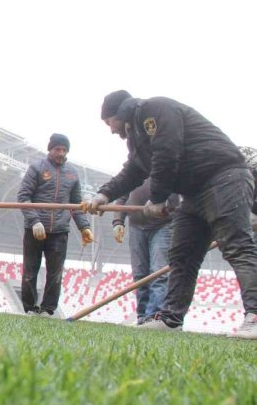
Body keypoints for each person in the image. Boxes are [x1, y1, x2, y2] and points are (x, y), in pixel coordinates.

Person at [83, 90, 257, 339]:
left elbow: (167, 152)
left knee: (237, 246)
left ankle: (255, 315)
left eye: (108, 122)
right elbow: (133, 170)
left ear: (119, 113)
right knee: (182, 255)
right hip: (194, 192)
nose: (110, 129)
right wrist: (104, 195)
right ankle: (171, 319)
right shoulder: (137, 136)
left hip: (223, 178)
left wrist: (158, 198)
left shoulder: (155, 110)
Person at [17, 133, 94, 316]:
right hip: (35, 230)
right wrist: (34, 221)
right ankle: (29, 309)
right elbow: (23, 197)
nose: (61, 153)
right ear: (50, 149)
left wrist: (85, 227)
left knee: (55, 274)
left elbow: (76, 204)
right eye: (57, 149)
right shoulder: (36, 168)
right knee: (30, 272)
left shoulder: (72, 173)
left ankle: (48, 310)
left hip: (59, 231)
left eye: (64, 149)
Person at [112, 179, 179, 324]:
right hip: (136, 225)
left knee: (159, 272)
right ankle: (142, 317)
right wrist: (118, 221)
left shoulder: (169, 163)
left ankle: (154, 316)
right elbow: (122, 196)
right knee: (140, 274)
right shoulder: (136, 167)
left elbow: (177, 196)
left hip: (163, 224)